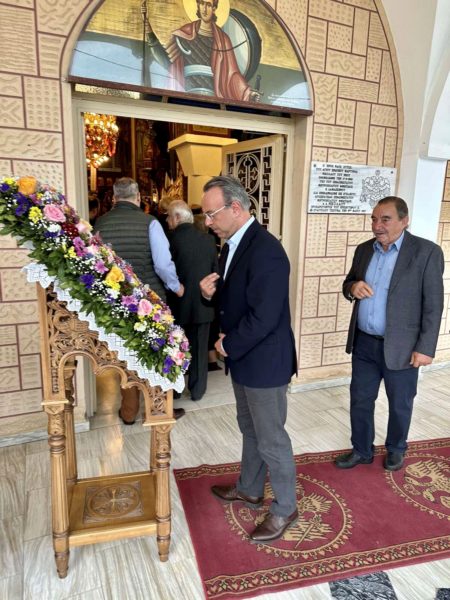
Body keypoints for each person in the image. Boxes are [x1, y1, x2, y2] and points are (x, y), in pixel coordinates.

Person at [199, 175, 298, 543]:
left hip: (265, 361)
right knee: (249, 427)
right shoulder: (231, 246)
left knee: (271, 438)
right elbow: (237, 299)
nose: (207, 221)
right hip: (244, 357)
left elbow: (265, 316)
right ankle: (250, 489)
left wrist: (228, 346)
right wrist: (210, 294)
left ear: (236, 208)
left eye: (211, 214)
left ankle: (286, 507)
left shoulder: (266, 250)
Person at [335, 196, 444, 472]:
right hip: (364, 343)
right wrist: (353, 287)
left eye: (385, 219)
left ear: (404, 221)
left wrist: (425, 347)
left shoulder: (426, 252)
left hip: (403, 347)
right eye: (374, 219)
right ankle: (361, 450)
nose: (377, 225)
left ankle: (396, 448)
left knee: (400, 403)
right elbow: (348, 283)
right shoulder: (364, 250)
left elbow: (433, 305)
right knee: (360, 399)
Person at [94, 177, 186, 423]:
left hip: (115, 301)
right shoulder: (150, 223)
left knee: (126, 355)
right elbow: (163, 264)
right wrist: (176, 287)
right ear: (138, 198)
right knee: (156, 352)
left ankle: (128, 412)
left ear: (114, 198)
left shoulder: (100, 223)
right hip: (149, 300)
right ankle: (159, 410)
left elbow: (96, 263)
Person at [149, 0, 260, 102]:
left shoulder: (223, 40)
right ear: (198, 5)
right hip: (183, 96)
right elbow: (169, 65)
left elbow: (232, 75)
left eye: (209, 5)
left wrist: (248, 93)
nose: (204, 9)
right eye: (202, 3)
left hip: (213, 101)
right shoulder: (184, 34)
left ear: (214, 8)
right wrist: (149, 33)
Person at [167, 200, 218, 400]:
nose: (167, 220)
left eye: (169, 216)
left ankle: (176, 390)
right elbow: (215, 272)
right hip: (203, 304)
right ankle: (197, 391)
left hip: (177, 304)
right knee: (200, 349)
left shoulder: (169, 240)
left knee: (175, 349)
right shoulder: (208, 240)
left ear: (177, 217)